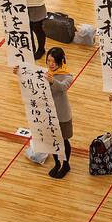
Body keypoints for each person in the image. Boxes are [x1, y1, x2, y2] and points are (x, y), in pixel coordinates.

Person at [33, 46, 74, 178]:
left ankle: (66, 164)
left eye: (53, 61)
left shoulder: (67, 75)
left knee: (64, 140)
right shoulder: (44, 73)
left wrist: (52, 81)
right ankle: (57, 163)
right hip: (48, 114)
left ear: (61, 61)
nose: (50, 64)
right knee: (52, 140)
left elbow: (63, 87)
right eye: (48, 61)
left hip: (62, 115)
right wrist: (19, 72)